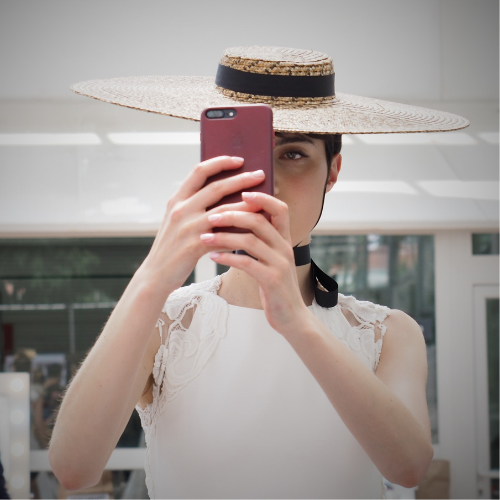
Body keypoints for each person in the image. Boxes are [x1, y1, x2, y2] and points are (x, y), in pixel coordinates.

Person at [48, 46, 469, 499]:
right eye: (244, 154)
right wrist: (153, 274)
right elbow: (73, 469)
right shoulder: (165, 322)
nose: (266, 181)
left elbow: (408, 467)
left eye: (293, 153)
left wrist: (296, 321)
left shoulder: (390, 333)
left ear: (333, 171)